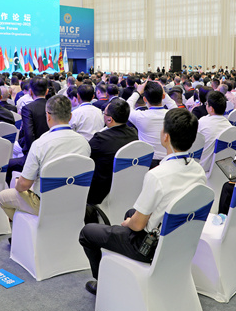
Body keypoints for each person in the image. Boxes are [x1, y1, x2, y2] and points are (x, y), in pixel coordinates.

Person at [79, 108, 207, 295]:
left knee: (88, 232)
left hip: (149, 247)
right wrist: (132, 220)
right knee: (131, 212)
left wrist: (128, 224)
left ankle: (103, 285)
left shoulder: (157, 175)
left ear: (166, 137)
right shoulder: (198, 171)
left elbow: (138, 225)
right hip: (178, 239)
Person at [0, 94, 90, 220]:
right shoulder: (84, 143)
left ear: (48, 116)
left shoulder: (40, 144)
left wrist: (18, 183)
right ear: (70, 116)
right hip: (75, 202)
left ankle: (29, 226)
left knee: (2, 197)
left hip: (45, 204)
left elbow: (24, 185)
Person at [85, 99, 139, 222]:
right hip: (127, 186)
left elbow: (86, 159)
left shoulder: (100, 139)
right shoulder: (134, 133)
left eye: (104, 113)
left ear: (109, 119)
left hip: (102, 191)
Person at [126, 81, 177, 166]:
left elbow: (127, 107)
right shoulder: (172, 115)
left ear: (145, 99)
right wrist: (165, 94)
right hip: (169, 161)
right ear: (163, 96)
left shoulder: (140, 116)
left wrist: (138, 92)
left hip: (147, 162)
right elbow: (174, 107)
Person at [197, 90, 232, 173]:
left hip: (203, 167)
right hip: (222, 169)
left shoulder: (202, 122)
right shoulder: (229, 126)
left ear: (211, 109)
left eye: (207, 104)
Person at [18, 78, 50, 156]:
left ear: (30, 92)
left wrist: (32, 154)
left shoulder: (27, 108)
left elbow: (29, 134)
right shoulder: (53, 106)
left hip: (34, 151)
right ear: (47, 91)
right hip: (50, 148)